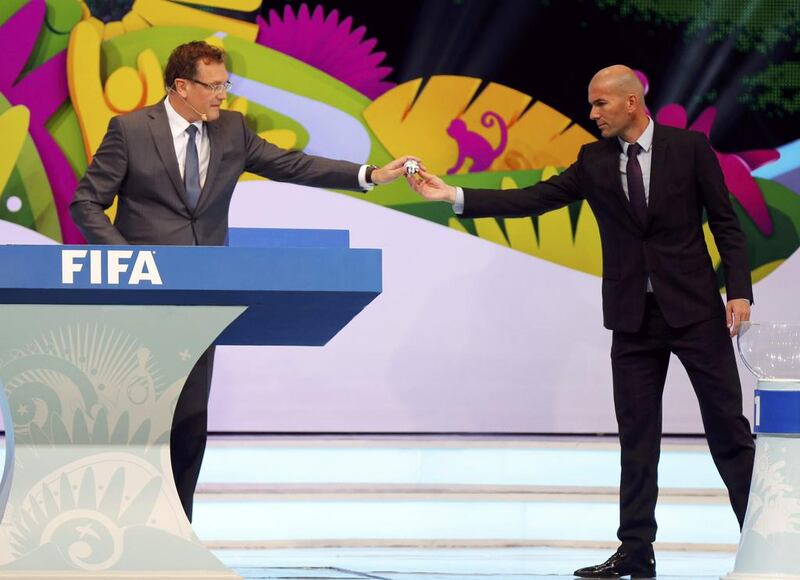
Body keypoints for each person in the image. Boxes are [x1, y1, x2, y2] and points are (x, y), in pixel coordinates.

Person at [407, 65, 755, 578]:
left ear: (631, 102)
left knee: (728, 431)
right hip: (633, 320)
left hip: (697, 314)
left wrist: (740, 291)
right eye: (591, 105)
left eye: (600, 104)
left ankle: (766, 541)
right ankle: (636, 551)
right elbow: (535, 199)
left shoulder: (689, 149)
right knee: (637, 440)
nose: (591, 114)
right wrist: (454, 196)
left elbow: (725, 223)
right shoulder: (593, 160)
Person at [70, 40, 415, 522]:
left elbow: (294, 165)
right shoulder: (130, 130)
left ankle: (176, 529)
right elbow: (86, 203)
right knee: (136, 420)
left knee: (189, 423)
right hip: (140, 299)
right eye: (212, 86)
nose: (222, 96)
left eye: (224, 84)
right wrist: (129, 261)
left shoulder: (232, 130)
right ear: (181, 87)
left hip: (202, 301)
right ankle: (118, 526)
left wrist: (371, 174)